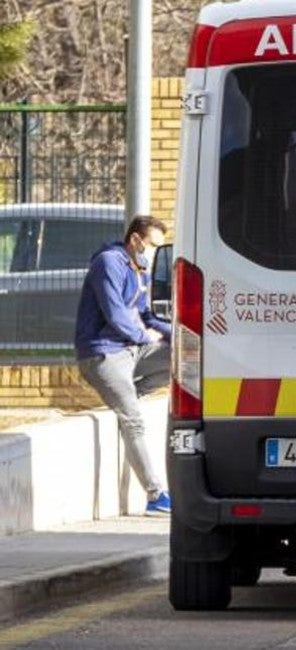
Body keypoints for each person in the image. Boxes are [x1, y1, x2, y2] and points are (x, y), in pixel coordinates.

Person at [74, 215, 173, 516]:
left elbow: (146, 315)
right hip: (102, 354)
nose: (152, 254)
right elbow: (116, 315)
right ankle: (156, 495)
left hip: (130, 350)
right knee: (134, 422)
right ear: (135, 240)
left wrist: (180, 336)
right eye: (151, 246)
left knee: (182, 358)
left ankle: (129, 394)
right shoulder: (108, 263)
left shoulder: (138, 268)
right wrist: (144, 336)